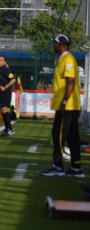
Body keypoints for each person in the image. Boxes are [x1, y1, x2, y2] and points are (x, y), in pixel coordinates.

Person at [42, 34, 84, 177]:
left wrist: (64, 103)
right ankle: (76, 167)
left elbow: (70, 81)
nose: (54, 45)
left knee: (58, 134)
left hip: (67, 105)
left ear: (61, 45)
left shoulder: (67, 59)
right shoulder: (63, 59)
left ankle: (58, 165)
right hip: (69, 105)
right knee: (72, 136)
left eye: (55, 43)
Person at [0, 55, 16, 136]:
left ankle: (9, 129)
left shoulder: (6, 70)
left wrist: (5, 87)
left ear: (4, 61)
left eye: (1, 60)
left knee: (4, 109)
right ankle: (8, 128)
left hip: (6, 92)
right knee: (3, 110)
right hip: (1, 92)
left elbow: (13, 80)